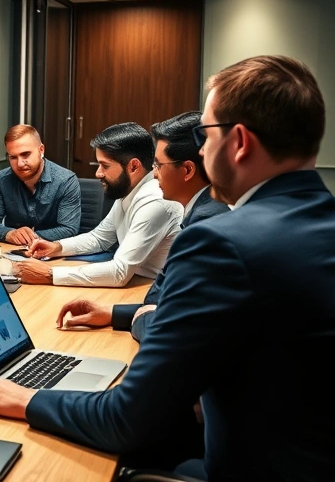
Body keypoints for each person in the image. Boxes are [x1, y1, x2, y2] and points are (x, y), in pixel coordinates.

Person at [0, 56, 335, 482]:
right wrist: (120, 314)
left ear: (240, 143)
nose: (201, 153)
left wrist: (27, 400)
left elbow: (123, 420)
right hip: (328, 477)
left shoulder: (221, 241)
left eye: (205, 136)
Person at [56, 112, 229, 340]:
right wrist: (115, 313)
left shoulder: (204, 224)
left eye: (158, 165)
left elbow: (168, 323)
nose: (154, 174)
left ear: (187, 170)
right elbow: (163, 305)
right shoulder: (201, 210)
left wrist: (142, 316)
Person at [13, 122, 182, 287]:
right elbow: (100, 238)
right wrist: (57, 247)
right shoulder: (129, 190)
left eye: (105, 166)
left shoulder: (155, 201)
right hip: (138, 282)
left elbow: (119, 272)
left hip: (154, 290)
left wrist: (49, 274)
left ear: (133, 166)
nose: (98, 173)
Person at [0, 125, 80, 244]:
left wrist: (30, 236)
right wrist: (9, 234)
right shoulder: (2, 179)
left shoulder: (66, 181)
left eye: (25, 154)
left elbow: (69, 229)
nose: (19, 163)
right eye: (13, 157)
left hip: (52, 253)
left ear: (41, 150)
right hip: (13, 252)